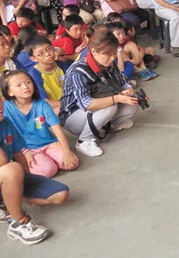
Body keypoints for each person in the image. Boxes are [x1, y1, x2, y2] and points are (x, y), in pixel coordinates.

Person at [60, 27, 138, 157]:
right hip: (73, 116)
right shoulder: (79, 71)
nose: (113, 58)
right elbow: (87, 104)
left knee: (131, 103)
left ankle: (110, 126)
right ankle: (83, 141)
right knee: (110, 107)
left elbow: (122, 81)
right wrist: (117, 98)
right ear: (94, 52)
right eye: (108, 54)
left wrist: (129, 91)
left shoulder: (109, 62)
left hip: (95, 107)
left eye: (114, 53)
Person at [0, 98, 69, 245]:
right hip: (4, 173)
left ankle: (9, 200)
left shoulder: (5, 123)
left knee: (60, 194)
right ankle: (18, 222)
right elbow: (2, 161)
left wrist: (25, 186)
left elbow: (19, 154)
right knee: (11, 170)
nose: (0, 107)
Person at [2, 70, 79, 178]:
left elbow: (57, 129)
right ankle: (45, 161)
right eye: (18, 85)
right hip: (26, 148)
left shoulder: (42, 104)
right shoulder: (6, 108)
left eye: (28, 82)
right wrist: (24, 152)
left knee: (72, 163)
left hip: (48, 143)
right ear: (10, 92)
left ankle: (48, 158)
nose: (25, 87)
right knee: (48, 170)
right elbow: (9, 135)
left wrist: (66, 152)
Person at [26, 36, 64, 113]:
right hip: (53, 108)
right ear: (33, 58)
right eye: (40, 53)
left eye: (49, 49)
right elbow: (44, 100)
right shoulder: (34, 75)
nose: (47, 54)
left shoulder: (62, 65)